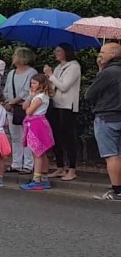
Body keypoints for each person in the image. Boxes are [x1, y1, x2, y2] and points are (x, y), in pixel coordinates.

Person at [86, 42, 121, 201]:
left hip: (107, 116)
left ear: (113, 54)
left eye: (103, 52)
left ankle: (117, 190)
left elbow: (89, 94)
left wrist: (100, 70)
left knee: (111, 155)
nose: (100, 55)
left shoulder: (108, 73)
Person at [45, 43, 81, 182]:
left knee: (68, 137)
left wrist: (51, 75)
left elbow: (64, 86)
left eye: (59, 50)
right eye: (56, 50)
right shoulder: (58, 67)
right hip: (56, 104)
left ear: (66, 52)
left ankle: (72, 169)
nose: (56, 53)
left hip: (67, 106)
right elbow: (55, 86)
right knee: (56, 137)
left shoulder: (74, 67)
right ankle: (60, 166)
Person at [20, 73, 56, 192]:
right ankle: (44, 178)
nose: (32, 85)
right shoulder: (40, 96)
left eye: (34, 83)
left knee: (37, 153)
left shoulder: (40, 97)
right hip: (39, 123)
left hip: (36, 124)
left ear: (41, 84)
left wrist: (31, 99)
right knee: (42, 152)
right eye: (31, 83)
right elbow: (25, 106)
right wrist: (30, 97)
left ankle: (36, 180)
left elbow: (28, 111)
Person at [3, 48, 35, 175]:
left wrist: (12, 102)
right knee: (15, 137)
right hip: (12, 109)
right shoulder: (11, 73)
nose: (13, 57)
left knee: (26, 136)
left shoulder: (31, 72)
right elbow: (6, 90)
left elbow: (27, 91)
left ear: (22, 57)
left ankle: (28, 164)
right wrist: (7, 102)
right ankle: (16, 163)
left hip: (24, 108)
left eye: (15, 55)